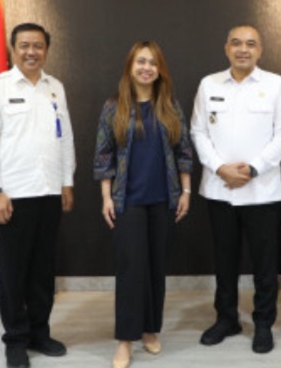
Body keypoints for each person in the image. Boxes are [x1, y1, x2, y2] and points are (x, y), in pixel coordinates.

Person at [0, 23, 76, 368]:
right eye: (24, 46)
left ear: (47, 49)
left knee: (42, 272)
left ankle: (40, 333)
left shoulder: (55, 88)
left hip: (49, 193)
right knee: (13, 273)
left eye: (37, 46)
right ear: (13, 49)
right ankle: (15, 340)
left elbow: (65, 138)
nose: (31, 52)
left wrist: (67, 181)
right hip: (12, 197)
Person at [190, 25, 281, 354]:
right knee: (225, 261)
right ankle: (226, 319)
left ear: (260, 50)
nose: (243, 49)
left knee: (264, 263)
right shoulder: (209, 84)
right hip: (220, 189)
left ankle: (263, 323)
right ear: (226, 48)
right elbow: (198, 132)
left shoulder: (275, 84)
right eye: (236, 43)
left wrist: (252, 169)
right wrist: (220, 168)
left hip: (261, 190)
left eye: (251, 44)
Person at [93, 41, 193, 368]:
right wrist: (107, 197)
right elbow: (104, 154)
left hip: (163, 199)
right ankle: (125, 340)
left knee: (155, 269)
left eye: (152, 62)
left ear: (159, 69)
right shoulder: (114, 107)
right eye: (140, 62)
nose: (146, 68)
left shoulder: (171, 107)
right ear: (130, 67)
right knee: (130, 271)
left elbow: (184, 153)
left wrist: (186, 191)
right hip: (127, 202)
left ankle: (151, 329)